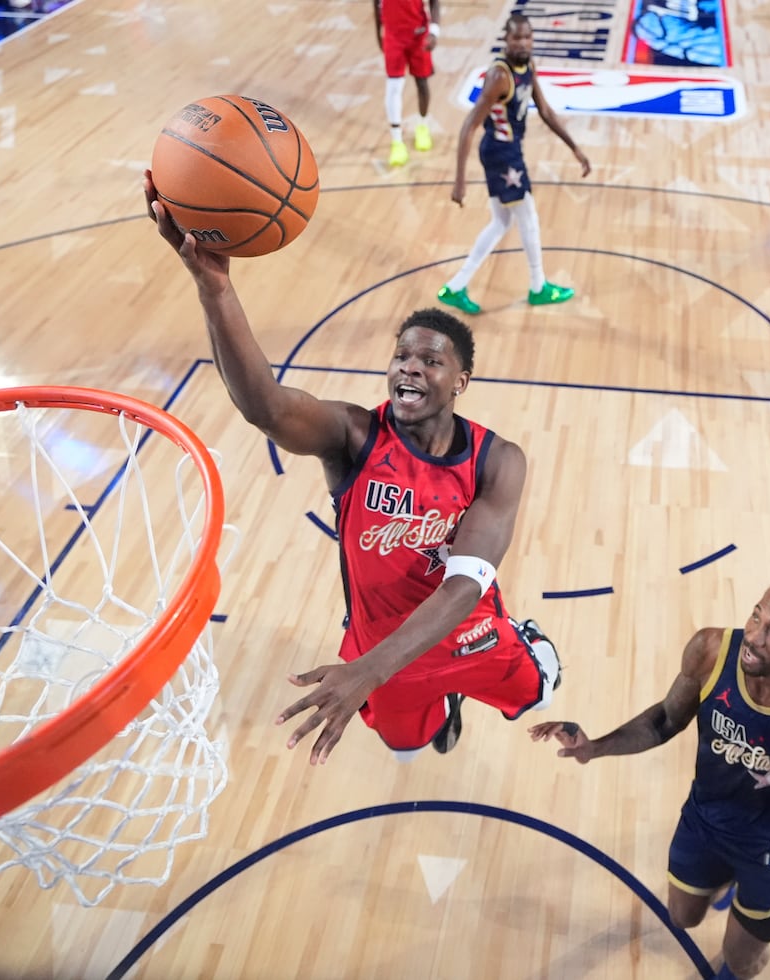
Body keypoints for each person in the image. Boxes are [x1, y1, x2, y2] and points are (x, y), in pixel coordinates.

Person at [146, 172, 562, 766]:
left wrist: (364, 674)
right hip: (381, 648)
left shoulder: (498, 460)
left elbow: (465, 585)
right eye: (400, 356)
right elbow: (265, 405)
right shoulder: (352, 436)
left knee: (539, 689)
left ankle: (530, 650)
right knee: (406, 748)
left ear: (461, 382)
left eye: (430, 360)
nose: (409, 369)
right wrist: (213, 287)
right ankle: (439, 710)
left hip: (465, 630)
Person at [530, 579, 770, 980]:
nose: (754, 637)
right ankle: (728, 883)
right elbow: (667, 719)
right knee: (682, 916)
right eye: (756, 615)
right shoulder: (711, 651)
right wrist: (595, 747)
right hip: (707, 820)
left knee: (740, 960)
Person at [437, 12, 591, 316]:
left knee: (502, 222)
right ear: (506, 40)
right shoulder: (499, 75)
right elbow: (469, 126)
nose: (522, 42)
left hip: (508, 151)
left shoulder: (528, 66)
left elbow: (545, 111)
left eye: (527, 37)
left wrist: (575, 148)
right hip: (501, 153)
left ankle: (455, 287)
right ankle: (538, 286)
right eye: (516, 37)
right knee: (528, 217)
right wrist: (459, 180)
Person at [373, 0, 440, 167]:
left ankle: (422, 126)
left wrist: (434, 31)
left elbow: (435, 2)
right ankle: (397, 142)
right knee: (393, 86)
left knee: (422, 83)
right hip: (393, 35)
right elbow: (375, 3)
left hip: (419, 34)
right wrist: (378, 32)